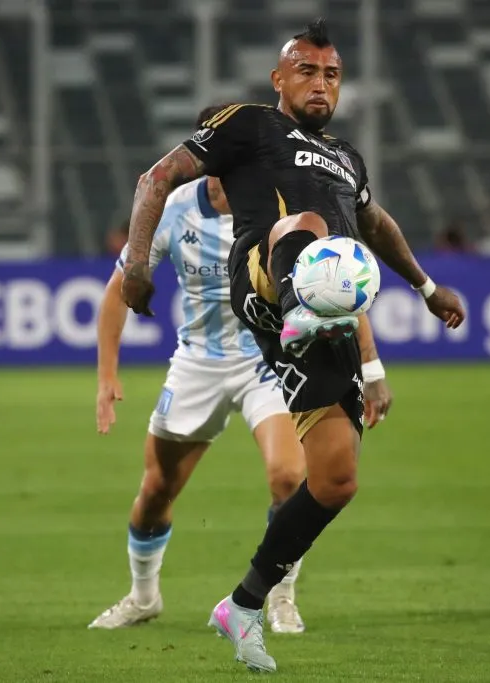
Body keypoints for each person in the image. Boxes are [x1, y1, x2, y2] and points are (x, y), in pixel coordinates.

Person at [119, 19, 465, 672]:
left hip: (326, 319)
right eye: (306, 70)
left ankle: (244, 603)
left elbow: (377, 222)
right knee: (302, 223)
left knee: (334, 480)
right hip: (263, 283)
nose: (320, 82)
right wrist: (138, 263)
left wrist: (424, 285)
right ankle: (300, 309)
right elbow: (156, 177)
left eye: (331, 73)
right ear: (279, 79)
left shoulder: (345, 158)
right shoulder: (249, 125)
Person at [90, 104, 395, 636]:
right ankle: (143, 596)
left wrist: (370, 368)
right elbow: (117, 292)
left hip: (268, 363)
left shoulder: (285, 204)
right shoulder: (177, 207)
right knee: (157, 489)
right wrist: (107, 375)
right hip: (197, 364)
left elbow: (333, 293)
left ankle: (278, 596)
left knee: (287, 476)